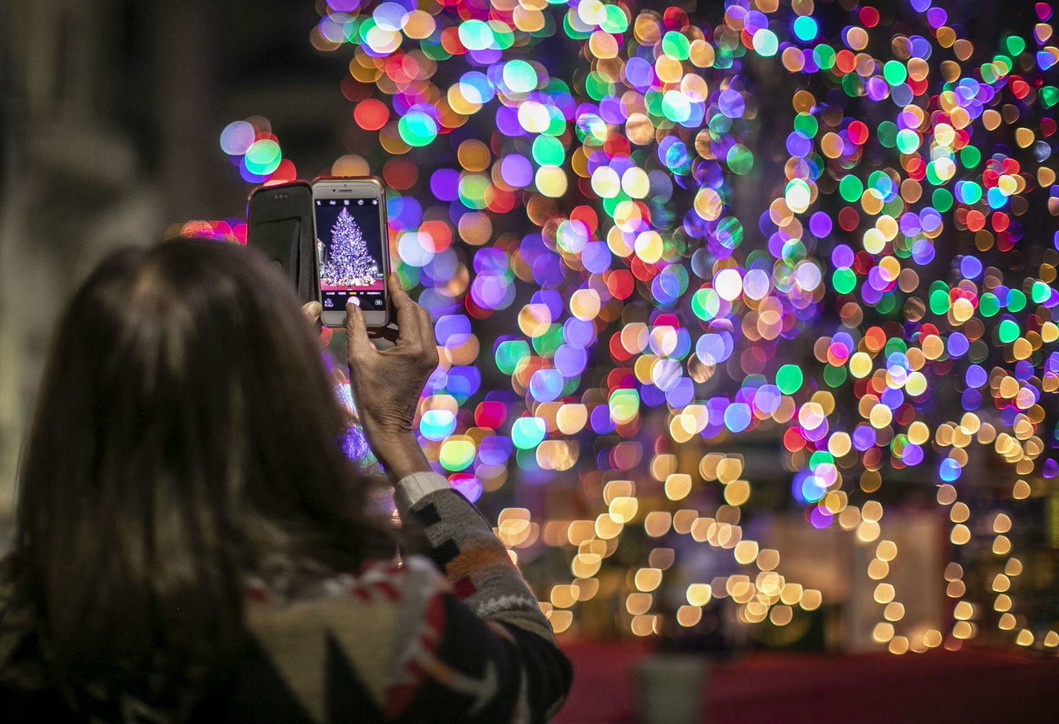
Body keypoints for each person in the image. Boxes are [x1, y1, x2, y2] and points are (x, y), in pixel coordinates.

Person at [0, 239, 572, 722]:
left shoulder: (22, 620)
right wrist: (396, 438)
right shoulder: (375, 634)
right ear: (287, 406)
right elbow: (533, 668)